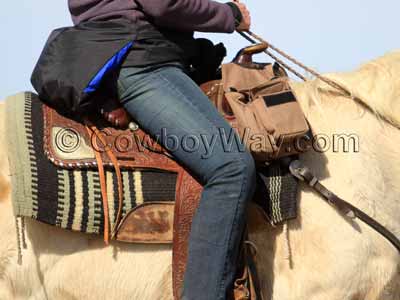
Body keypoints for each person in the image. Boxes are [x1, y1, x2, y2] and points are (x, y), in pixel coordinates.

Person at [68, 1, 255, 299]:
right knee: (231, 167)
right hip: (145, 63)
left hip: (130, 53)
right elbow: (164, 5)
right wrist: (229, 15)